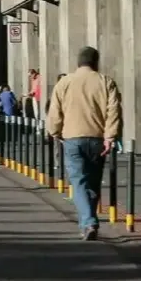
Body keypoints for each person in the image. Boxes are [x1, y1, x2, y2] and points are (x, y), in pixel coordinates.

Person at [47, 46, 122, 240]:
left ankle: (88, 222)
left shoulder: (64, 83)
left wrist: (55, 132)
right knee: (93, 183)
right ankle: (88, 222)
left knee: (78, 181)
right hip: (97, 138)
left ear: (78, 62)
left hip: (72, 138)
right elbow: (113, 111)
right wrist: (110, 136)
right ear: (96, 62)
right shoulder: (106, 82)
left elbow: (54, 112)